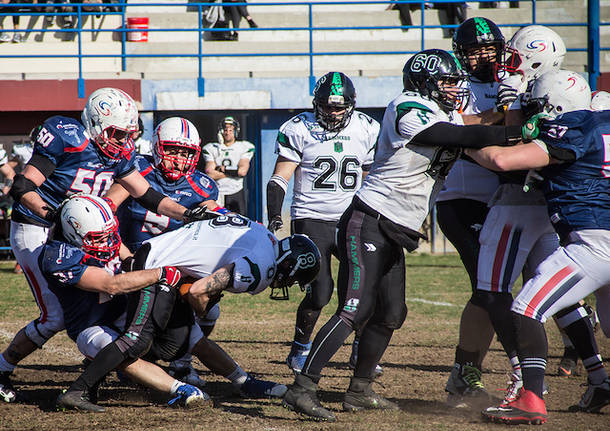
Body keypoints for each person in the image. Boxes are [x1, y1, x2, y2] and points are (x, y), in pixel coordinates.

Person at [281, 48, 527, 422]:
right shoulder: (406, 106)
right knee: (353, 310)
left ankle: (360, 389)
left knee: (392, 313)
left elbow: (477, 135)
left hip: (394, 228)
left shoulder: (442, 112)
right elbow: (453, 133)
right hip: (370, 219)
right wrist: (517, 130)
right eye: (446, 82)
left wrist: (519, 120)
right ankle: (302, 388)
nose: (453, 89)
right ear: (425, 83)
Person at [0, 87, 218, 403]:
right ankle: (3, 367)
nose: (123, 142)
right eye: (116, 133)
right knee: (56, 317)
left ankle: (101, 361)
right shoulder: (68, 137)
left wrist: (188, 212)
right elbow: (21, 186)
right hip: (37, 226)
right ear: (95, 122)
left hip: (85, 232)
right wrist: (55, 214)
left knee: (107, 301)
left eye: (128, 135)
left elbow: (149, 195)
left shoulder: (120, 153)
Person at [57, 209, 321, 412]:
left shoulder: (265, 235)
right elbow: (198, 292)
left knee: (186, 340)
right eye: (293, 279)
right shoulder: (263, 267)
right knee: (136, 341)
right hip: (160, 269)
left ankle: (243, 381)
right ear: (289, 266)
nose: (287, 284)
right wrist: (205, 307)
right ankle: (77, 390)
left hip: (169, 261)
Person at [464, 69, 610, 424]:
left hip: (593, 243)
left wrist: (464, 144)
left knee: (526, 308)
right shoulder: (602, 119)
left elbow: (502, 161)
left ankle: (530, 398)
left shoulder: (571, 129)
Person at [34, 194, 209, 411]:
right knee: (114, 348)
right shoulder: (59, 256)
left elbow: (132, 263)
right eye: (98, 238)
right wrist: (160, 273)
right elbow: (111, 285)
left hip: (122, 312)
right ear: (73, 232)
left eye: (108, 235)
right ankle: (179, 388)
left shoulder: (102, 237)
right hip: (90, 326)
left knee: (189, 334)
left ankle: (241, 379)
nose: (106, 242)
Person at [265, 71, 379, 376]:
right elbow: (279, 178)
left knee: (363, 287)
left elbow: (370, 178)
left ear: (351, 105)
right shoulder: (299, 128)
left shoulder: (367, 128)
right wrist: (275, 214)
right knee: (320, 292)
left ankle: (361, 350)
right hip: (310, 218)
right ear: (317, 104)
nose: (332, 113)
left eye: (338, 107)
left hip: (352, 218)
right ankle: (300, 349)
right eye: (327, 107)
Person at [106, 116, 225, 387]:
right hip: (131, 259)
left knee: (209, 308)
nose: (178, 158)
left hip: (176, 267)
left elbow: (211, 228)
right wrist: (125, 255)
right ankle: (119, 359)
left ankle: (183, 363)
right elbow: (106, 214)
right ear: (157, 147)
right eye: (172, 150)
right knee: (120, 315)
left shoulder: (203, 186)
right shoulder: (137, 171)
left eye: (186, 153)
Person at [435, 16, 510, 408]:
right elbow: (456, 126)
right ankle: (517, 373)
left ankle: (464, 373)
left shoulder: (512, 80)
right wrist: (504, 112)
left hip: (510, 198)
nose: (483, 56)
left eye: (488, 48)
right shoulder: (454, 86)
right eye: (474, 50)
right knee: (491, 288)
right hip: (462, 198)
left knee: (497, 290)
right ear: (460, 54)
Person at [203, 117, 255, 215]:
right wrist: (232, 173)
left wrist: (222, 170)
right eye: (225, 130)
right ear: (221, 131)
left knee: (239, 223)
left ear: (236, 131)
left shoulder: (244, 147)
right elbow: (210, 174)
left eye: (231, 130)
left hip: (236, 191)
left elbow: (242, 171)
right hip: (218, 192)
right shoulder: (212, 148)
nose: (228, 132)